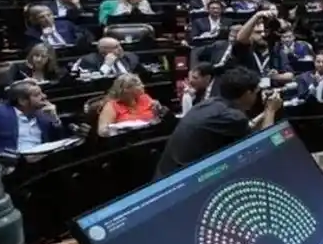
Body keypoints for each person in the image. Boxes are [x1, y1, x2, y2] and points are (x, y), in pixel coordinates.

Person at [154, 66, 283, 179]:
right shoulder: (233, 116)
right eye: (256, 92)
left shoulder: (210, 103)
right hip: (184, 183)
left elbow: (246, 128)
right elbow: (266, 146)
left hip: (166, 172)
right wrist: (271, 111)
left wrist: (265, 113)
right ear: (247, 93)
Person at [0, 80, 69, 156]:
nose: (44, 97)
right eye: (37, 95)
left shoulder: (43, 115)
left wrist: (55, 120)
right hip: (11, 167)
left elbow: (59, 143)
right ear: (22, 101)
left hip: (42, 164)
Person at [96, 74, 161, 136]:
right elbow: (102, 131)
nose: (143, 86)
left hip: (149, 136)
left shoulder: (145, 98)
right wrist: (119, 129)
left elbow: (157, 119)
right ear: (126, 89)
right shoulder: (111, 106)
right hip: (125, 141)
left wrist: (158, 111)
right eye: (138, 84)